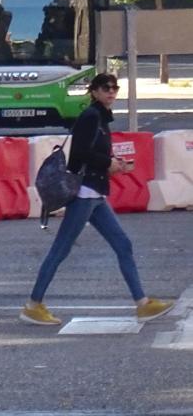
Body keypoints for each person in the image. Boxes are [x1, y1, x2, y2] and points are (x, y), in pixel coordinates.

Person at [20, 73, 174, 326]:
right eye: (106, 88)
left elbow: (95, 153)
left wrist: (116, 165)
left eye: (115, 88)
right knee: (60, 249)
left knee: (123, 244)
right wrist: (108, 163)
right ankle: (33, 305)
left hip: (96, 193)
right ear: (94, 91)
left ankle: (142, 304)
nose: (111, 92)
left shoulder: (101, 117)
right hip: (84, 193)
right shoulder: (91, 116)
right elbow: (79, 153)